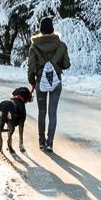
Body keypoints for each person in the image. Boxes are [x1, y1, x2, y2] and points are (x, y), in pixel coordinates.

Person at [27, 16, 70, 152]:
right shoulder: (61, 45)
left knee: (41, 112)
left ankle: (41, 141)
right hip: (56, 82)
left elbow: (31, 68)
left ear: (40, 29)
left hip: (41, 82)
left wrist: (33, 81)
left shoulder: (34, 46)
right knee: (52, 113)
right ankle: (50, 142)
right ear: (52, 29)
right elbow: (67, 64)